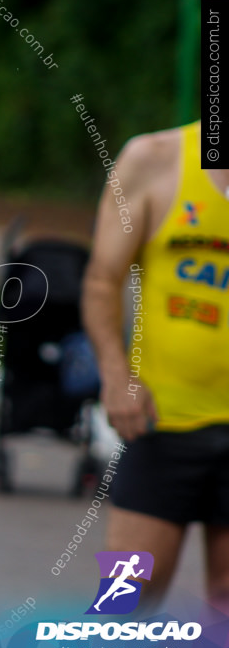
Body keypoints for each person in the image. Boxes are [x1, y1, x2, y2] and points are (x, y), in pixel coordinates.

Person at [82, 120, 229, 614]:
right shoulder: (155, 159)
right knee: (124, 603)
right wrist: (116, 375)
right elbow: (103, 279)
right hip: (163, 419)